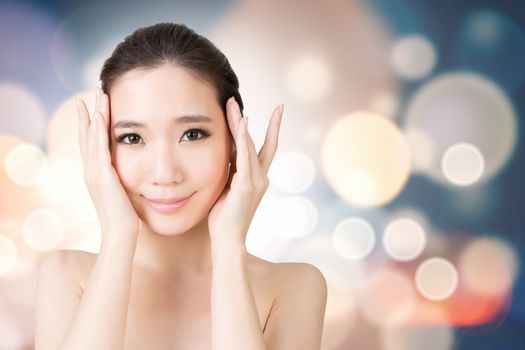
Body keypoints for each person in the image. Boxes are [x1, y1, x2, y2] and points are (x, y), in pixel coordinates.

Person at [35, 22, 327, 350]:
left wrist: (230, 245)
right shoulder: (66, 277)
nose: (164, 172)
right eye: (132, 138)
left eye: (192, 134)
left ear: (235, 143)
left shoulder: (293, 288)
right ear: (101, 150)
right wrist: (118, 234)